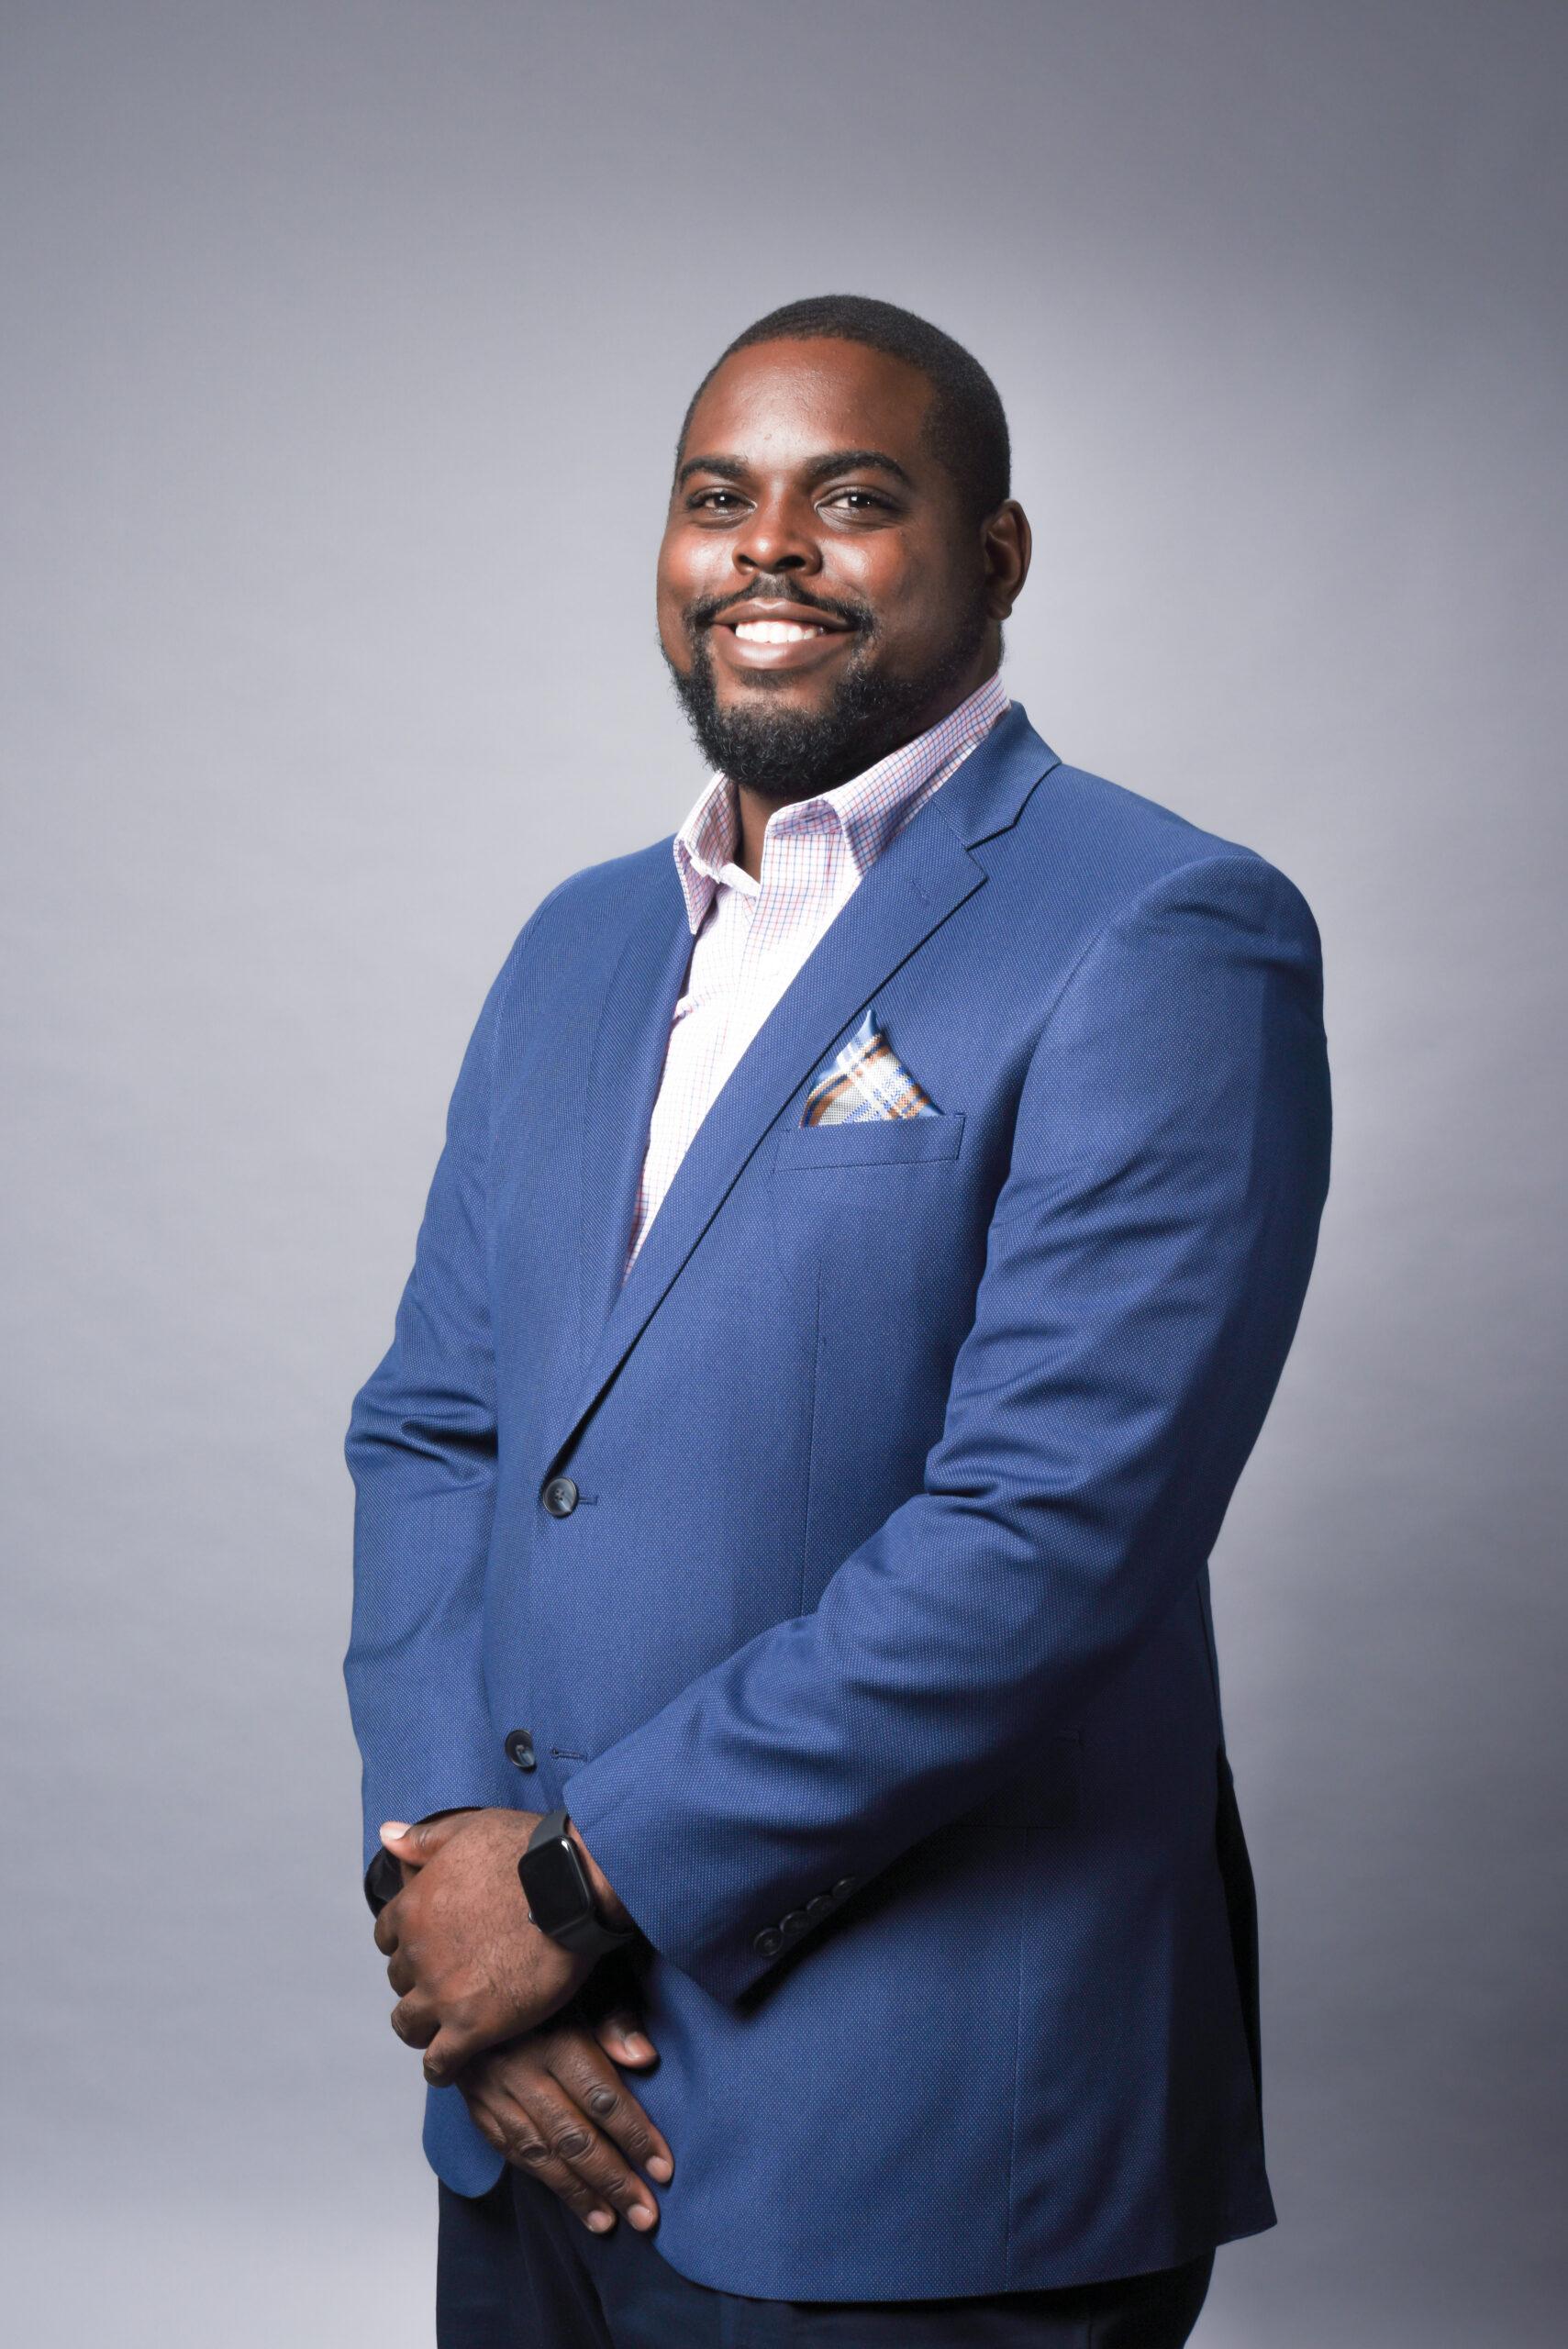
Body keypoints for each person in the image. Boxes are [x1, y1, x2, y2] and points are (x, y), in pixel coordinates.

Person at [344, 294, 1332, 2348]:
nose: (768, 549)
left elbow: (1046, 1541)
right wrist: (457, 1903)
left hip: (927, 2126)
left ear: (997, 554)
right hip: (531, 2092)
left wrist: (568, 1894)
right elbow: (438, 1431)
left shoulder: (1162, 925)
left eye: (852, 497)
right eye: (719, 499)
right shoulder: (575, 944)